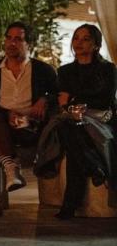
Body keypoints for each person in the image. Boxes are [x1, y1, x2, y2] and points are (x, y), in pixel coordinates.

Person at [35, 24, 116, 220]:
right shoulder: (65, 71)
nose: (79, 43)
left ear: (96, 44)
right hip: (73, 119)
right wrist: (73, 102)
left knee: (72, 140)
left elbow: (105, 100)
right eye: (76, 38)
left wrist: (74, 99)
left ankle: (70, 205)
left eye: (85, 39)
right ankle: (92, 165)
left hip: (100, 118)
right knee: (67, 126)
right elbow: (62, 100)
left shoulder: (108, 69)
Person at [0, 22, 57, 217]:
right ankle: (11, 169)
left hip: (31, 127)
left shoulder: (43, 70)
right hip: (1, 125)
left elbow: (57, 94)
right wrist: (7, 114)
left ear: (29, 44)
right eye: (9, 38)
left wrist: (44, 99)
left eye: (18, 39)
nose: (12, 43)